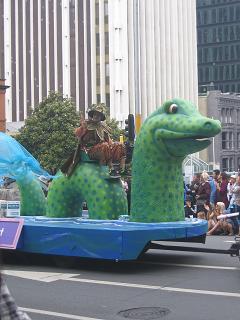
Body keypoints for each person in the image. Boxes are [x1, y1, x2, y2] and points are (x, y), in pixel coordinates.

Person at [63, 104, 126, 177]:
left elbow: (109, 140)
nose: (96, 116)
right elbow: (77, 134)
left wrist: (113, 146)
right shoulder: (87, 124)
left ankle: (122, 168)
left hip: (105, 149)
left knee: (119, 145)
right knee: (104, 146)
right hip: (90, 151)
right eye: (95, 114)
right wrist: (83, 128)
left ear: (101, 117)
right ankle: (110, 168)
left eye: (98, 115)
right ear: (92, 115)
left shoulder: (103, 127)